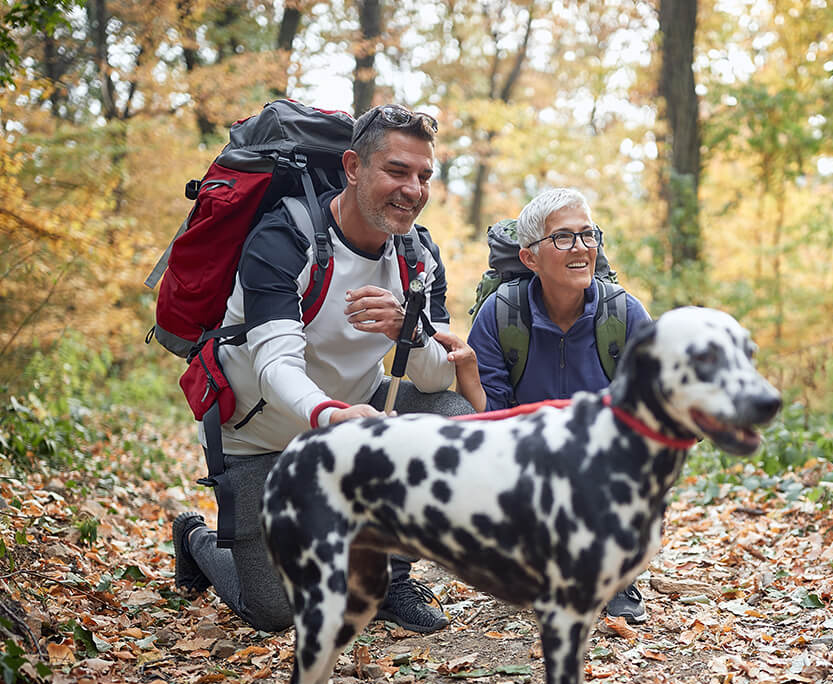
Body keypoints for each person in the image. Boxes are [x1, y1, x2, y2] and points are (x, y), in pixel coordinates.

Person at [172, 103, 485, 635]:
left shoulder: (419, 256)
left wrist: (406, 331)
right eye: (396, 170)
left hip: (353, 417)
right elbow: (275, 365)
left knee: (449, 413)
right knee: (277, 612)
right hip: (264, 437)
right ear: (353, 167)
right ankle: (196, 540)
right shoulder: (283, 239)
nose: (413, 189)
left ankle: (388, 576)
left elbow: (435, 379)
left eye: (423, 176)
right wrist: (331, 416)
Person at [467, 188, 653, 623]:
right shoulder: (500, 315)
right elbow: (489, 418)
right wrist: (467, 376)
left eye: (588, 236)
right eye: (564, 238)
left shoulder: (625, 315)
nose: (582, 248)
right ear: (530, 257)